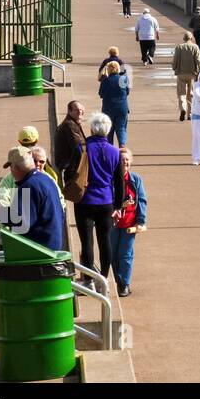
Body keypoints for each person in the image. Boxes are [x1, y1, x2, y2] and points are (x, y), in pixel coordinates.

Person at [76, 112, 125, 281]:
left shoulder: (83, 148)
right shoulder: (115, 152)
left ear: (91, 129)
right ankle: (104, 277)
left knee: (86, 242)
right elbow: (119, 183)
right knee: (105, 241)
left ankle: (88, 279)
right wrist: (118, 206)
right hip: (106, 200)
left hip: (85, 200)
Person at [0, 145, 66, 252]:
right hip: (52, 244)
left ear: (16, 167)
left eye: (10, 167)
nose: (11, 171)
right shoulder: (45, 179)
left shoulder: (29, 185)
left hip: (39, 248)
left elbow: (21, 222)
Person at [109, 147, 147, 295]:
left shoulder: (136, 179)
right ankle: (118, 280)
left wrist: (141, 220)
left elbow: (142, 200)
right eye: (121, 159)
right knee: (112, 254)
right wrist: (119, 204)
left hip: (129, 223)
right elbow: (105, 200)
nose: (124, 162)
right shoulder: (110, 179)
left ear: (131, 161)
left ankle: (124, 284)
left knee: (125, 254)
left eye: (127, 159)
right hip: (112, 223)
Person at [53, 100, 87, 189]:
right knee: (76, 193)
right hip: (69, 166)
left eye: (81, 110)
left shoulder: (72, 123)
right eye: (76, 110)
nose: (80, 112)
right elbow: (79, 146)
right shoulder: (70, 125)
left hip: (67, 164)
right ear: (70, 111)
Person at [171, 31, 200, 121]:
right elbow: (199, 60)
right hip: (192, 73)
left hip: (181, 73)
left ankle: (183, 109)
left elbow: (175, 60)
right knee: (191, 94)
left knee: (181, 93)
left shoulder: (179, 47)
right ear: (191, 38)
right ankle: (190, 113)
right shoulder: (195, 47)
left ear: (184, 38)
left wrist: (174, 67)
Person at [98, 61, 131, 146]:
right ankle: (122, 145)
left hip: (108, 108)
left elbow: (101, 94)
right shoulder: (123, 79)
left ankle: (110, 147)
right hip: (122, 107)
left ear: (108, 69)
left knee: (109, 129)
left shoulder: (105, 80)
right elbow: (127, 92)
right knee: (121, 128)